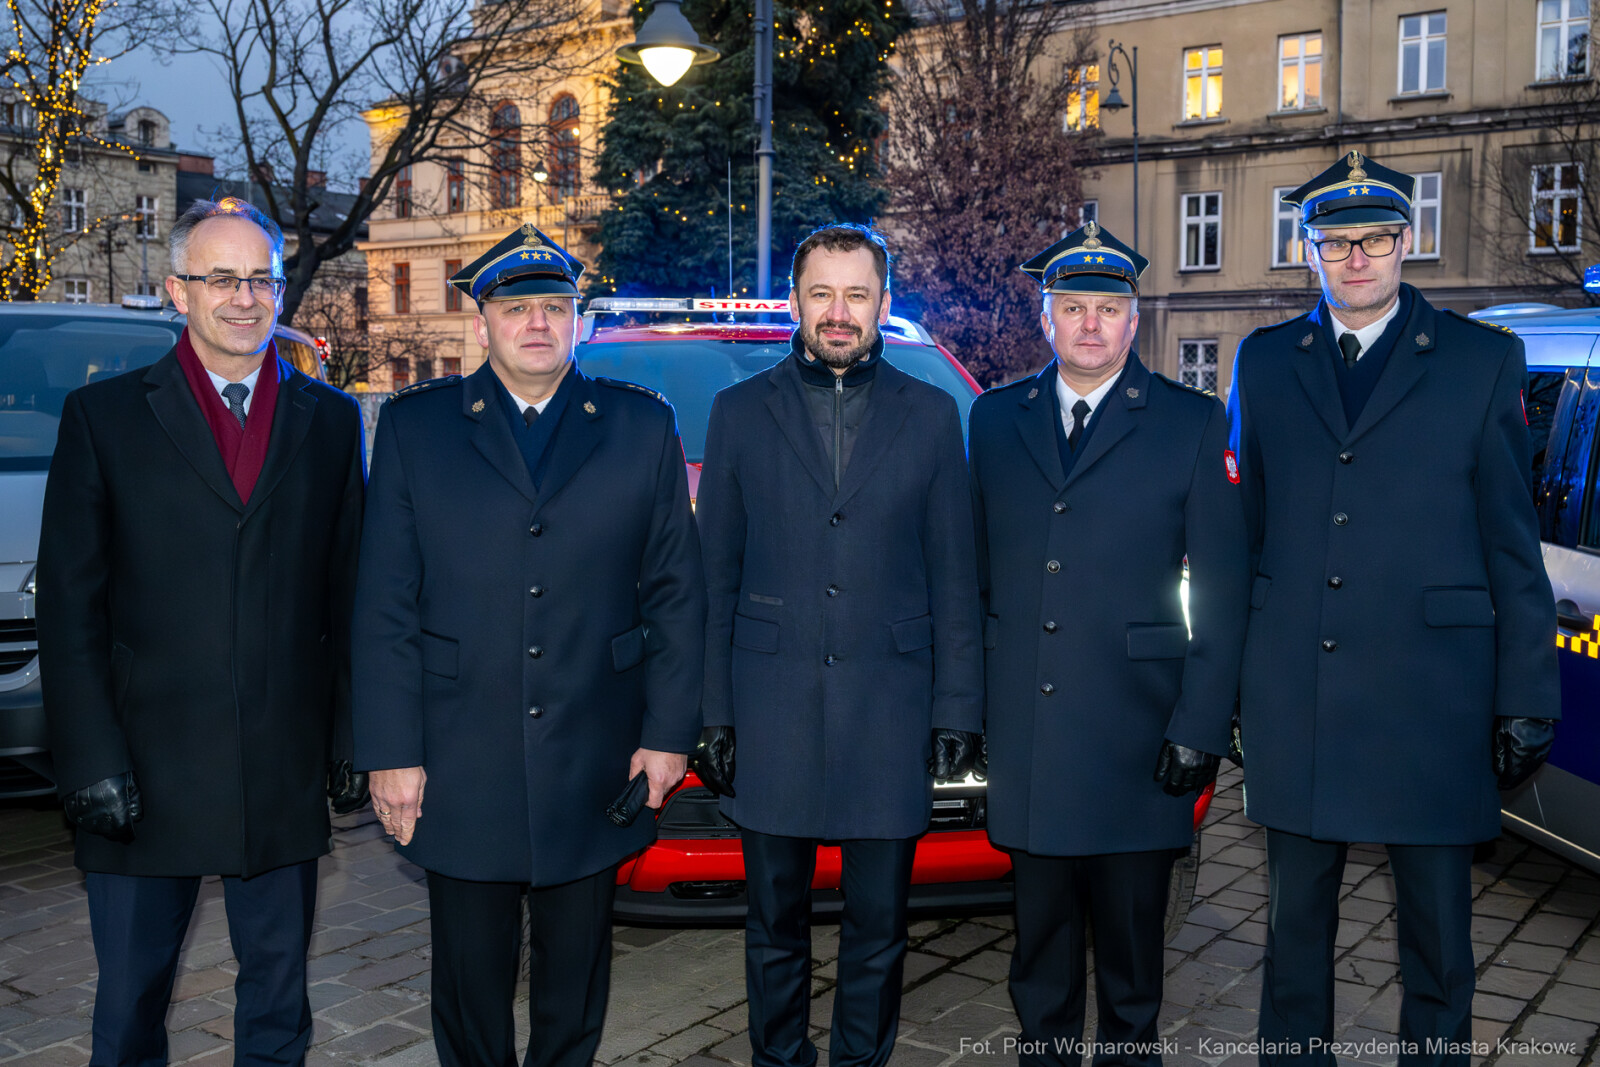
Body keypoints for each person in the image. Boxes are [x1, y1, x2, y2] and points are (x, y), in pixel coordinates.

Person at [1228, 151, 1560, 1066]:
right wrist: (1227, 688)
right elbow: (1245, 536)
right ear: (1311, 252)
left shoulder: (1482, 360)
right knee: (1293, 937)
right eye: (1336, 241)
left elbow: (1510, 543)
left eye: (1375, 238)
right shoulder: (1263, 363)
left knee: (1438, 945)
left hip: (1432, 699)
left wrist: (1526, 690)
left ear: (1408, 242)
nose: (1358, 258)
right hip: (1301, 690)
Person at [352, 224, 705, 1067]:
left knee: (575, 981)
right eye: (517, 309)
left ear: (577, 320)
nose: (538, 323)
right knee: (470, 985)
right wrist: (391, 753)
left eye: (556, 306)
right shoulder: (415, 430)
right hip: (459, 754)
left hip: (596, 752)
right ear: (482, 324)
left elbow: (675, 594)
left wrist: (667, 736)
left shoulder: (639, 426)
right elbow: (385, 605)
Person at [36, 196, 368, 1065]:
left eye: (261, 277)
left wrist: (348, 732)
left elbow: (347, 590)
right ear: (179, 290)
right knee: (132, 1006)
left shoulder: (329, 421)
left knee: (277, 999)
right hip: (144, 772)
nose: (245, 297)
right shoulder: (103, 420)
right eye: (221, 278)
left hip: (279, 764)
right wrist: (89, 761)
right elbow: (70, 608)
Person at [694, 223, 983, 1067]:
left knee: (879, 927)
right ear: (795, 301)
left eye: (857, 294)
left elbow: (954, 576)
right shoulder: (739, 413)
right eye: (822, 292)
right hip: (772, 707)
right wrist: (713, 710)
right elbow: (716, 578)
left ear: (883, 305)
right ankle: (778, 1057)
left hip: (889, 711)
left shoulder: (931, 417)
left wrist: (957, 707)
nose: (839, 311)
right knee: (774, 923)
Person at [968, 222, 1249, 1067]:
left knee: (1131, 978)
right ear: (1044, 317)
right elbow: (972, 578)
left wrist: (1201, 727)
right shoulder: (992, 419)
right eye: (1073, 306)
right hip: (1032, 739)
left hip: (1139, 741)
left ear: (1136, 320)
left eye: (1110, 307)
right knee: (1039, 967)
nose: (1091, 324)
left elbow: (1225, 591)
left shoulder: (1190, 423)